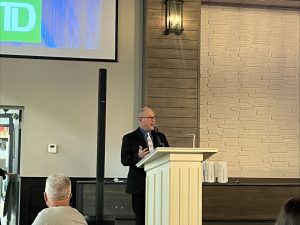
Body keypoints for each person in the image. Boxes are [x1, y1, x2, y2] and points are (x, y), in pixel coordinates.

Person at [121, 106, 169, 225]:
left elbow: (168, 155)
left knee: (159, 217)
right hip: (139, 185)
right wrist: (138, 156)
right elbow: (124, 160)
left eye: (154, 117)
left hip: (159, 184)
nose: (153, 120)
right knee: (141, 219)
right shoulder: (129, 138)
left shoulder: (160, 137)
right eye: (149, 118)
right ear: (140, 119)